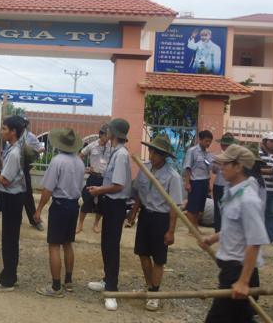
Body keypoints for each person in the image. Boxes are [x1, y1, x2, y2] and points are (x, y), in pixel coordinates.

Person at [197, 144, 273, 323]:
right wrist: (212, 238)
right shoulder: (235, 192)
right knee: (241, 322)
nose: (221, 168)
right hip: (230, 268)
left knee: (216, 322)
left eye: (225, 164)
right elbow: (234, 227)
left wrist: (243, 281)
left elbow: (254, 241)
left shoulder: (248, 199)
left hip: (239, 270)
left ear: (238, 167)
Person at [128, 134, 182, 312]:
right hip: (145, 215)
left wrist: (171, 231)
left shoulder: (173, 176)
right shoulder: (144, 168)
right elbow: (138, 193)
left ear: (164, 156)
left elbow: (174, 207)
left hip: (161, 218)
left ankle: (154, 293)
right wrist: (133, 213)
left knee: (158, 258)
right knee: (142, 253)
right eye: (151, 151)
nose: (152, 155)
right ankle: (150, 285)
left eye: (156, 153)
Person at [86, 118, 131, 311]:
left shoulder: (120, 155)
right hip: (110, 202)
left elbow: (118, 185)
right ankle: (107, 280)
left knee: (111, 246)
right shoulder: (115, 152)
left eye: (109, 130)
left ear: (114, 133)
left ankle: (112, 289)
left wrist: (99, 190)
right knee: (106, 243)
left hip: (116, 204)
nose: (106, 132)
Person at [34, 128, 85, 297]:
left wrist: (39, 209)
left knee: (54, 245)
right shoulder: (79, 162)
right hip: (73, 205)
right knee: (68, 243)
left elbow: (48, 189)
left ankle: (56, 286)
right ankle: (68, 281)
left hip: (60, 205)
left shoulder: (57, 161)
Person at [0, 115, 27, 293]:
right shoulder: (12, 149)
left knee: (9, 240)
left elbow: (6, 180)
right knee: (10, 238)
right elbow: (9, 169)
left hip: (13, 198)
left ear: (13, 132)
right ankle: (10, 274)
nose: (1, 132)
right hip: (13, 198)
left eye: (4, 129)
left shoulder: (15, 152)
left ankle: (8, 280)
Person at [77, 125, 110, 234]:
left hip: (105, 179)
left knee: (102, 203)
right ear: (101, 135)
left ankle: (96, 224)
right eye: (106, 135)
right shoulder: (92, 146)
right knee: (87, 200)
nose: (108, 137)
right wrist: (84, 169)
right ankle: (80, 224)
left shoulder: (111, 147)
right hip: (93, 177)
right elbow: (80, 156)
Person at [183, 130, 214, 227]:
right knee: (192, 207)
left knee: (200, 208)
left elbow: (207, 170)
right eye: (206, 141)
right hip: (195, 182)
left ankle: (195, 226)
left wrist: (208, 185)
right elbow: (188, 167)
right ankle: (191, 229)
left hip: (204, 182)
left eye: (210, 141)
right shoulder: (192, 151)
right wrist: (187, 183)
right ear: (200, 139)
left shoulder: (208, 154)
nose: (208, 143)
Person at [21, 117, 45, 231]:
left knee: (28, 194)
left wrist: (32, 153)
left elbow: (41, 148)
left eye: (24, 124)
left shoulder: (30, 136)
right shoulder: (14, 134)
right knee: (14, 194)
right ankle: (16, 219)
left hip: (24, 166)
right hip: (13, 165)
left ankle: (34, 220)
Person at [212, 133, 239, 232]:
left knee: (230, 208)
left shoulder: (236, 157)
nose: (224, 146)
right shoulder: (218, 156)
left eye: (227, 145)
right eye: (223, 144)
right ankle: (218, 230)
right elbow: (214, 171)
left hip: (232, 186)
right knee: (218, 208)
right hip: (219, 185)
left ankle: (228, 229)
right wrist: (216, 165)